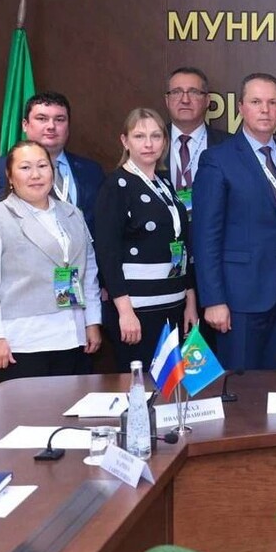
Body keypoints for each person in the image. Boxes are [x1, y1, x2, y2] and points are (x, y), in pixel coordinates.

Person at [192, 73, 276, 370]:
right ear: (241, 108)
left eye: (272, 102)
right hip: (238, 300)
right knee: (242, 386)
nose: (265, 110)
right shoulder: (217, 159)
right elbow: (206, 236)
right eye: (256, 102)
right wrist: (213, 300)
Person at [0, 140, 102, 386]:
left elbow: (88, 272)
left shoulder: (73, 214)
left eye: (42, 166)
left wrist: (92, 321)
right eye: (25, 168)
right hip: (21, 344)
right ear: (10, 176)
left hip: (72, 338)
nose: (36, 175)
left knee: (70, 409)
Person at [94, 108, 197, 371]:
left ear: (164, 141)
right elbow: (107, 253)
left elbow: (183, 246)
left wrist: (190, 301)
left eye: (155, 136)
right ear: (125, 141)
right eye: (139, 136)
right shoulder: (116, 185)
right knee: (142, 386)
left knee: (171, 383)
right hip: (138, 311)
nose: (148, 144)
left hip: (173, 306)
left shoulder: (165, 184)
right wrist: (125, 312)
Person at [0, 91, 104, 255]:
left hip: (81, 267)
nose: (51, 126)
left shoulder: (91, 171)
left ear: (68, 125)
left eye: (59, 119)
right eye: (42, 118)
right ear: (25, 124)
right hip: (23, 270)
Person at [164, 66, 230, 215]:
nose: (185, 100)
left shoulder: (229, 145)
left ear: (207, 100)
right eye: (177, 92)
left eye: (193, 92)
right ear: (167, 100)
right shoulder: (151, 142)